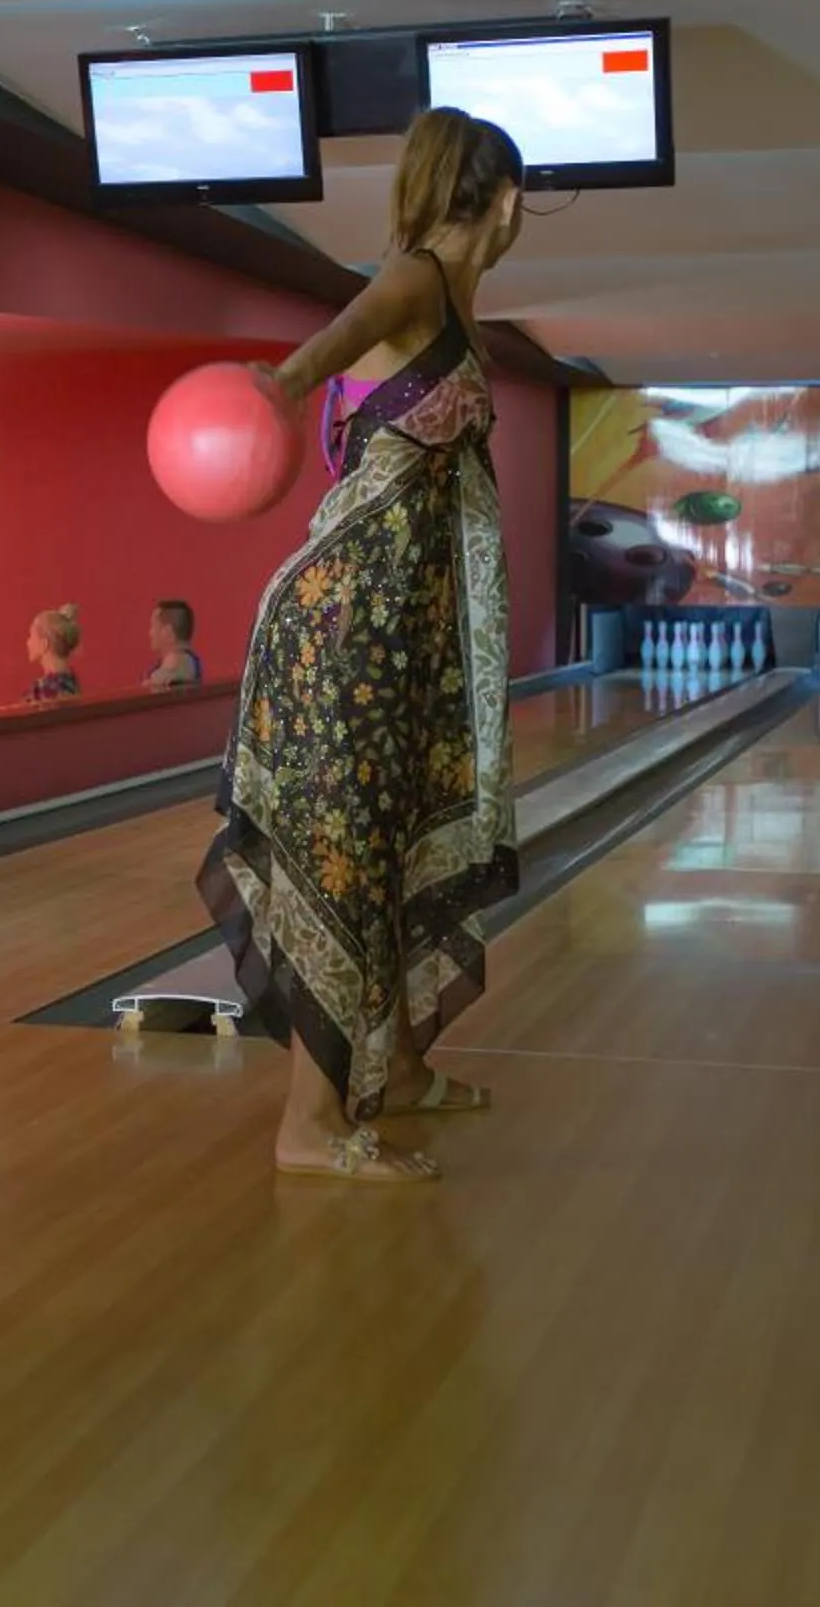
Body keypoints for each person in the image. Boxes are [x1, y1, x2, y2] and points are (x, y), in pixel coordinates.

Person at [200, 107, 530, 1185]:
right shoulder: (417, 279)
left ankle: (408, 1067)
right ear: (510, 200)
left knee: (405, 848)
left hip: (400, 638)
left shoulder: (456, 301)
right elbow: (312, 364)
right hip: (342, 635)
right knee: (347, 863)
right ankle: (307, 1126)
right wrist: (273, 390)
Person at [25, 605, 82, 702]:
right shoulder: (71, 684)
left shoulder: (44, 690)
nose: (28, 642)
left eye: (31, 636)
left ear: (44, 643)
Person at [145, 599, 203, 688]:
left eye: (153, 626)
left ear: (167, 631)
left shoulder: (177, 665)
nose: (150, 633)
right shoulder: (189, 662)